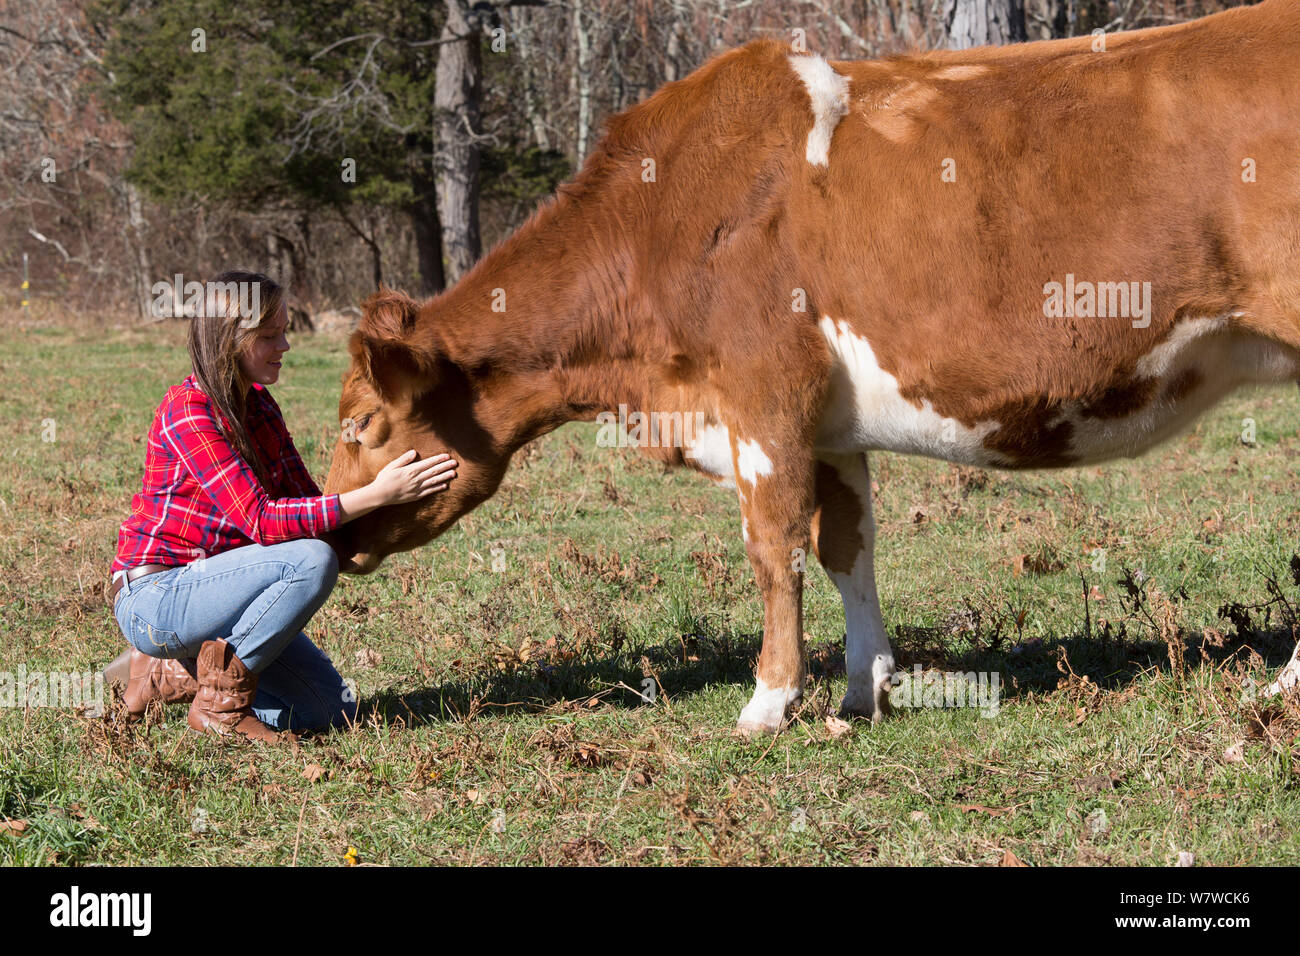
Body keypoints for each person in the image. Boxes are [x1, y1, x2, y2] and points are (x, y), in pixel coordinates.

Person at [103, 271, 455, 744]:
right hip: (157, 598)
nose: (285, 345)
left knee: (332, 708)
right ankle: (217, 707)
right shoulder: (191, 411)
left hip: (224, 597)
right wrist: (377, 494)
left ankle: (176, 671)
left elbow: (306, 503)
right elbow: (264, 520)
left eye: (285, 330)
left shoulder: (261, 407)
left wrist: (397, 504)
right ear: (230, 339)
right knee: (310, 559)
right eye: (269, 335)